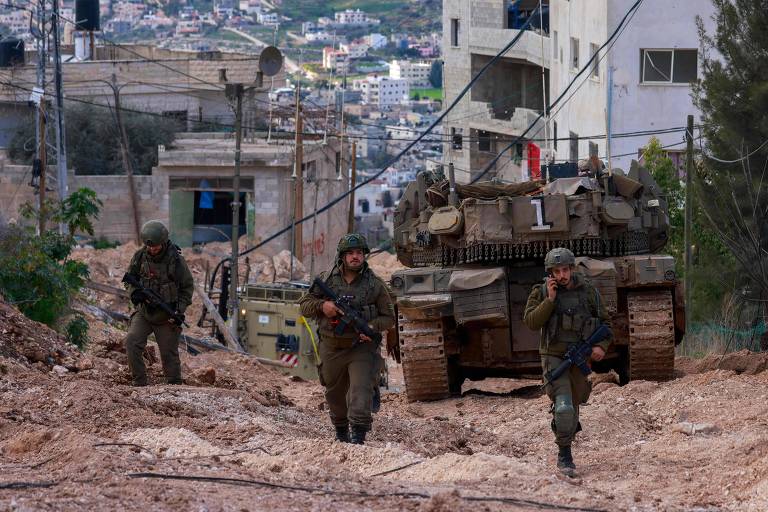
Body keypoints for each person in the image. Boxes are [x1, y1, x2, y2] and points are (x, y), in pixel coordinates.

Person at [523, 247, 612, 477]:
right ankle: (564, 454)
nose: (562, 275)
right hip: (553, 357)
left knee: (573, 406)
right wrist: (550, 300)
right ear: (550, 272)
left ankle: (567, 439)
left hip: (579, 359)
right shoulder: (542, 292)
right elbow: (531, 322)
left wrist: (601, 346)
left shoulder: (588, 292)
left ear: (572, 269)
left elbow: (606, 324)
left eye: (565, 270)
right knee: (563, 407)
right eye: (557, 271)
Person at [298, 234, 395, 445]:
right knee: (335, 396)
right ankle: (341, 433)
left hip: (361, 347)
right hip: (331, 347)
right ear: (342, 256)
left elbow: (389, 318)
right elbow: (304, 305)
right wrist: (322, 307)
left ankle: (358, 438)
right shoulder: (326, 279)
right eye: (350, 253)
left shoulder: (375, 285)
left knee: (361, 391)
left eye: (359, 253)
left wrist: (370, 327)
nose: (355, 257)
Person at [123, 220, 194, 386]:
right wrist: (136, 294)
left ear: (163, 242)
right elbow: (129, 280)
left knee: (169, 354)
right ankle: (139, 383)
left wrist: (179, 311)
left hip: (166, 315)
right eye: (149, 246)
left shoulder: (176, 261)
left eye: (155, 246)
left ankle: (174, 387)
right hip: (145, 312)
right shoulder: (140, 256)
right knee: (132, 341)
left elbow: (187, 287)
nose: (152, 249)